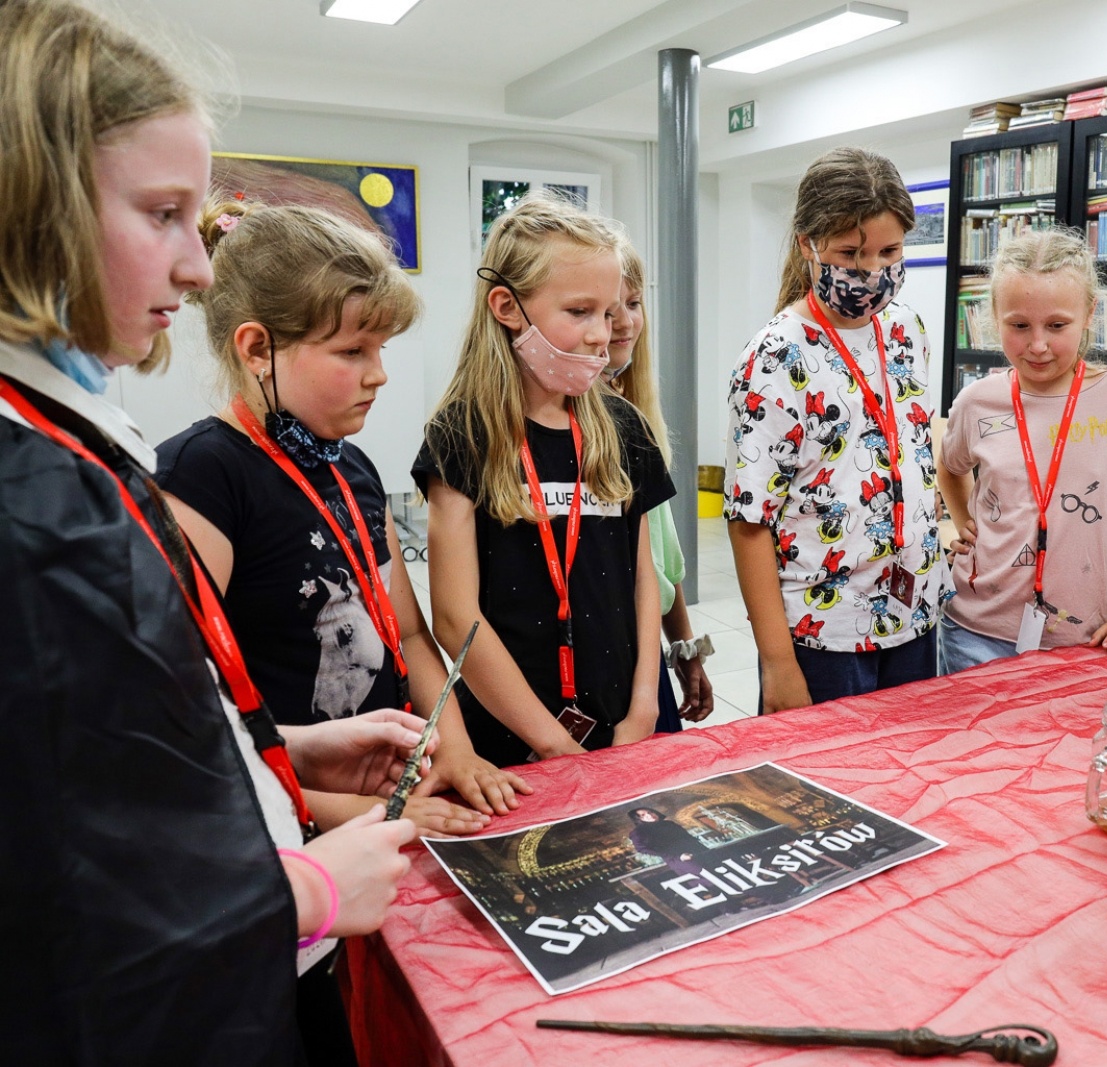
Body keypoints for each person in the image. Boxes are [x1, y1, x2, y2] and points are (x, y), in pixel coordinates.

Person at [0, 2, 422, 1061]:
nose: (195, 267)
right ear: (33, 206)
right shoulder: (35, 498)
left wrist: (281, 749)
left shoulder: (70, 445)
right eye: (162, 213)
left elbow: (126, 748)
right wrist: (305, 890)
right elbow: (72, 892)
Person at [158, 199, 529, 835]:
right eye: (353, 351)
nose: (379, 375)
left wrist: (457, 749)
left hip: (378, 796)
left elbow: (408, 634)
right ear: (257, 349)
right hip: (293, 817)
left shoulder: (348, 465)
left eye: (380, 348)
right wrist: (372, 815)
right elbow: (181, 720)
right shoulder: (201, 478)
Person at [415, 194, 673, 766]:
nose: (602, 335)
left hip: (625, 715)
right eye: (579, 312)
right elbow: (456, 616)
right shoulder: (462, 434)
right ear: (507, 307)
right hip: (514, 735)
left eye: (609, 314)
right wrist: (551, 742)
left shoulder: (623, 427)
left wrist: (645, 708)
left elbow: (642, 575)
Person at [724, 147, 952, 714]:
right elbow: (750, 522)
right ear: (808, 244)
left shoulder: (906, 329)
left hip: (916, 616)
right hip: (823, 633)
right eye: (851, 253)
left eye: (890, 251)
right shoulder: (774, 359)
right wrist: (778, 663)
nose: (872, 271)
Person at [936, 228, 1107, 673]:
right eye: (1018, 325)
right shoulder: (978, 401)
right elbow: (950, 467)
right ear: (994, 315)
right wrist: (965, 522)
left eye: (1056, 325)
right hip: (972, 633)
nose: (1037, 345)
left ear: (1088, 312)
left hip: (1084, 637)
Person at [604, 237, 713, 729]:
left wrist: (686, 647)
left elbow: (661, 563)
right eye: (605, 309)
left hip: (646, 663)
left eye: (633, 303)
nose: (625, 323)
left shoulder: (632, 419)